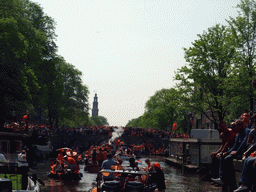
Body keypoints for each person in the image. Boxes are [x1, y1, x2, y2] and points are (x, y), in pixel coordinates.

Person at [212, 119, 250, 190]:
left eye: (237, 125)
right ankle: (222, 178)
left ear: (242, 125)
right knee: (224, 156)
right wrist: (226, 152)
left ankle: (230, 182)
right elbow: (234, 146)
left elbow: (244, 143)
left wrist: (237, 152)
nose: (236, 127)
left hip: (243, 152)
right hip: (237, 152)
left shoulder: (246, 131)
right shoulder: (238, 134)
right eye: (235, 125)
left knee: (227, 158)